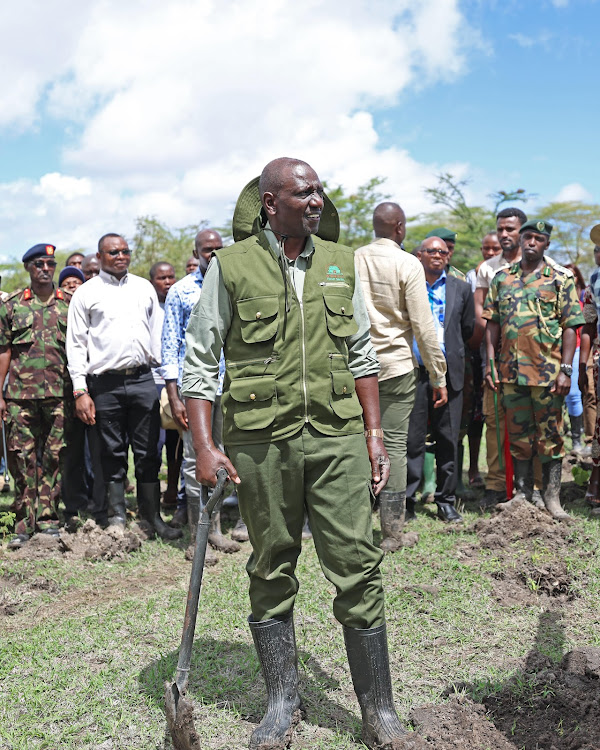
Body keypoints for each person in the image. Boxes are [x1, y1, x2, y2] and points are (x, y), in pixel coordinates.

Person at [182, 159, 412, 750]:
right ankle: (281, 701)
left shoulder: (341, 263)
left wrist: (372, 434)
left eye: (318, 192)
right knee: (271, 562)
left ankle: (378, 711)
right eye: (302, 192)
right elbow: (202, 361)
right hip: (261, 442)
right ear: (269, 202)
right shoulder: (229, 267)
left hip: (337, 439)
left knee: (358, 564)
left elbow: (361, 354)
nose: (316, 201)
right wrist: (205, 445)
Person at [66, 233, 181, 541]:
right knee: (112, 453)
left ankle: (152, 517)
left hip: (144, 380)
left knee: (148, 453)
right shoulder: (86, 294)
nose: (120, 256)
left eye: (125, 251)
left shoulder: (143, 287)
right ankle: (117, 517)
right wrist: (80, 390)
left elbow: (158, 335)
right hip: (105, 384)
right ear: (100, 256)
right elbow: (76, 345)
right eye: (113, 252)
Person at [356, 202, 447, 549]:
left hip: (355, 369)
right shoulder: (408, 263)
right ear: (400, 228)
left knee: (358, 442)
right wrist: (438, 374)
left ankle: (357, 528)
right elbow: (424, 327)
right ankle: (392, 532)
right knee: (391, 443)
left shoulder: (352, 259)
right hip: (395, 368)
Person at [483, 219, 584, 521]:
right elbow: (492, 324)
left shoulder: (560, 279)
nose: (531, 243)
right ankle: (523, 495)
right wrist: (490, 364)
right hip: (511, 374)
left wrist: (566, 370)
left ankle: (551, 498)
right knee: (519, 437)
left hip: (548, 375)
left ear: (546, 245)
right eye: (527, 236)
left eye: (538, 239)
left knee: (550, 436)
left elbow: (570, 327)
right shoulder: (502, 278)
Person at [162, 230, 246, 557]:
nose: (212, 254)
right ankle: (197, 541)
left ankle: (216, 531)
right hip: (196, 389)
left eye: (217, 249)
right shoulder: (181, 292)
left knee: (223, 454)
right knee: (195, 457)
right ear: (195, 253)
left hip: (231, 386)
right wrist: (174, 395)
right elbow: (169, 347)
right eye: (206, 250)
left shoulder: (232, 284)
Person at [0, 244, 71, 548]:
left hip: (59, 395)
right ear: (28, 268)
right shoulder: (13, 305)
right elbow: (3, 350)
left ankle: (49, 519)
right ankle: (22, 523)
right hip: (19, 396)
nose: (45, 268)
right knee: (21, 457)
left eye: (51, 263)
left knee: (55, 456)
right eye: (39, 263)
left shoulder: (69, 304)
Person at [405, 237, 474, 523]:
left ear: (448, 257)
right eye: (431, 251)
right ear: (419, 255)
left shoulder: (462, 288)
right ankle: (407, 501)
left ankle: (446, 501)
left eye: (442, 252)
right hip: (415, 372)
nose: (437, 255)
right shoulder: (409, 284)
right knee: (412, 440)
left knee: (448, 438)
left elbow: (467, 328)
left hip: (451, 374)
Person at [474, 208, 528, 507]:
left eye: (511, 229)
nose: (505, 235)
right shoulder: (487, 269)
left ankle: (530, 485)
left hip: (533, 364)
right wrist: (489, 361)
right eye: (501, 229)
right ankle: (495, 486)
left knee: (528, 423)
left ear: (523, 230)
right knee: (495, 425)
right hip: (495, 360)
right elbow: (480, 317)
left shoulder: (539, 266)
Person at [149, 262, 182, 508]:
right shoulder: (148, 307)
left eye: (171, 276)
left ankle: (173, 490)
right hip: (151, 382)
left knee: (175, 443)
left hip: (175, 383)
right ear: (153, 281)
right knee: (154, 443)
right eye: (162, 278)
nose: (167, 282)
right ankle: (152, 496)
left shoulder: (180, 302)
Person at [563, 263, 587, 455]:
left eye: (573, 276)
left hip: (577, 349)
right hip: (556, 352)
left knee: (573, 394)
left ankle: (577, 439)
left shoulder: (582, 300)